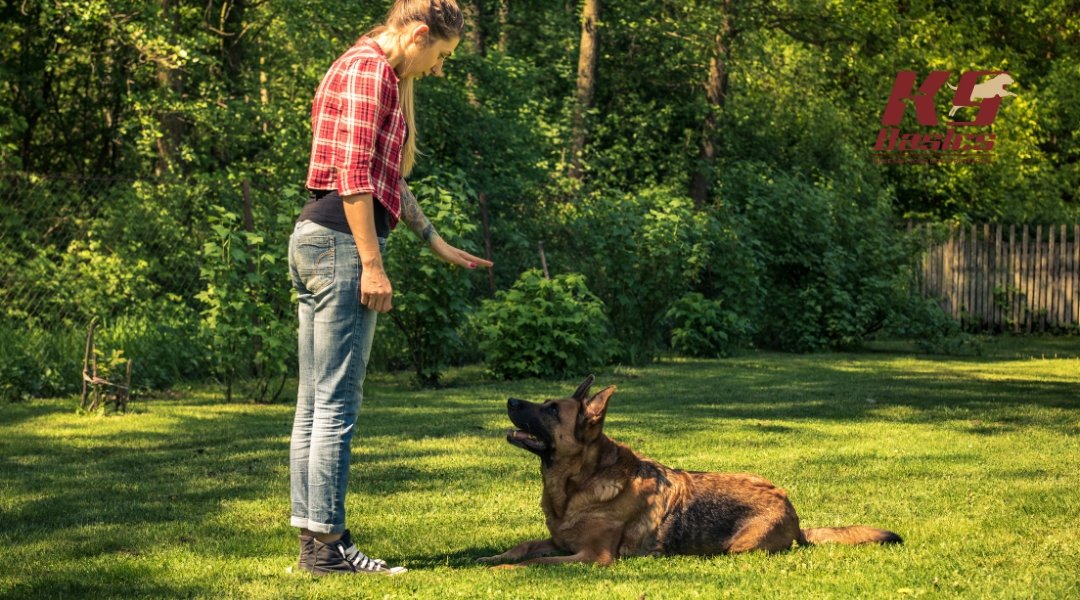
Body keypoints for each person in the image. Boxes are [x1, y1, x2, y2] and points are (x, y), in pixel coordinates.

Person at [287, 0, 492, 576]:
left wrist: (434, 240)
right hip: (339, 248)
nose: (439, 69)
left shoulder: (371, 70)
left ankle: (315, 545)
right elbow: (354, 178)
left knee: (315, 405)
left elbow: (383, 178)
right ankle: (328, 548)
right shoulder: (368, 71)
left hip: (323, 242)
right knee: (334, 405)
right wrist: (372, 265)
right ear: (420, 34)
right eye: (442, 56)